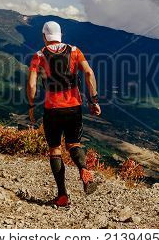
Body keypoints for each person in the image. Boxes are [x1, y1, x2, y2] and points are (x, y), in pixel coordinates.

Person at [27, 21, 102, 207]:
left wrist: (31, 105)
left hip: (52, 109)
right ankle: (84, 170)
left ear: (45, 36)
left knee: (55, 149)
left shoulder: (39, 55)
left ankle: (62, 196)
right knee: (74, 144)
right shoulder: (75, 51)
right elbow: (89, 74)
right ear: (60, 35)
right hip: (74, 107)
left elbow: (31, 84)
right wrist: (93, 100)